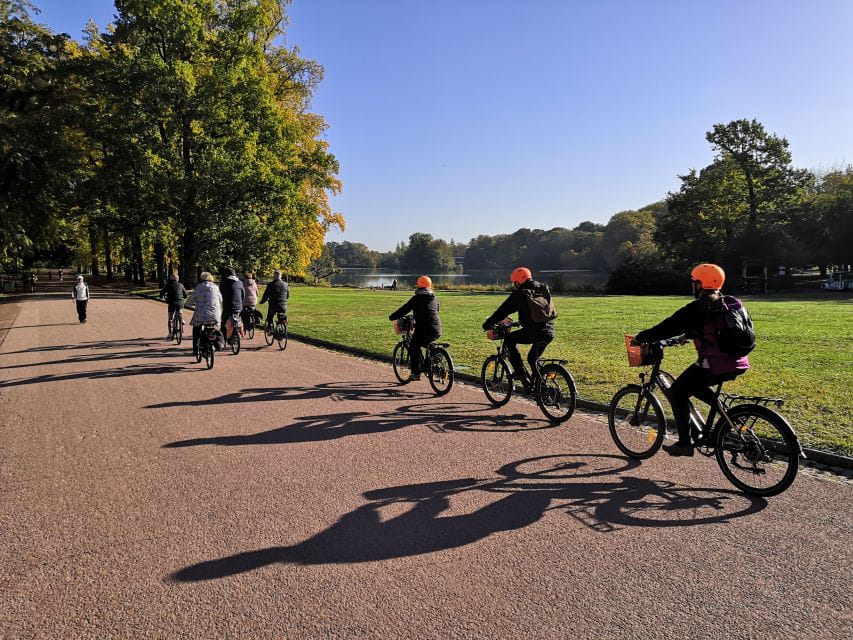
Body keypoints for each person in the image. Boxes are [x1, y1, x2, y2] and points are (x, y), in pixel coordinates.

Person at [632, 263, 750, 457]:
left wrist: (641, 338)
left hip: (714, 363)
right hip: (738, 361)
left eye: (695, 283)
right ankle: (727, 420)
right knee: (695, 385)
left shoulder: (700, 307)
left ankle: (684, 444)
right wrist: (689, 335)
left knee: (678, 392)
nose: (693, 287)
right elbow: (717, 330)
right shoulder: (729, 303)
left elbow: (668, 326)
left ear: (701, 284)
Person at [482, 267, 556, 392]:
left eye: (514, 282)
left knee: (510, 340)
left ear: (517, 281)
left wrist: (487, 324)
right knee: (532, 359)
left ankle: (520, 372)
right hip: (549, 331)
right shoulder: (542, 288)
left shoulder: (521, 293)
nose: (514, 285)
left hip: (535, 331)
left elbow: (503, 311)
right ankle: (539, 387)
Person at [388, 275, 441, 381]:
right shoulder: (434, 298)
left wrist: (392, 316)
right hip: (437, 328)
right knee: (425, 343)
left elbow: (405, 309)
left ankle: (416, 373)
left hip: (423, 329)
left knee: (413, 345)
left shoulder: (417, 298)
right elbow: (434, 310)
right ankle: (433, 359)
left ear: (419, 285)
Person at [187, 272, 223, 357]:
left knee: (196, 329)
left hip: (201, 314)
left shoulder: (199, 287)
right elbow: (220, 300)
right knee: (212, 327)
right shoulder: (216, 287)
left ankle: (196, 350)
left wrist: (190, 305)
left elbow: (191, 300)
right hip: (215, 314)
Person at [219, 267, 245, 340]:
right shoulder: (240, 282)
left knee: (224, 322)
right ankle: (239, 331)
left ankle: (223, 339)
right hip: (238, 306)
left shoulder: (224, 282)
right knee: (237, 318)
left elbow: (221, 293)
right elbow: (243, 294)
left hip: (228, 305)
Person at [160, 272, 187, 340]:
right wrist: (183, 297)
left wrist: (161, 296)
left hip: (172, 303)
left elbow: (162, 292)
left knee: (170, 318)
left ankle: (170, 333)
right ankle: (181, 319)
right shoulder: (181, 285)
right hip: (180, 302)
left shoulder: (168, 285)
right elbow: (185, 294)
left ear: (170, 279)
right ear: (177, 279)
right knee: (180, 309)